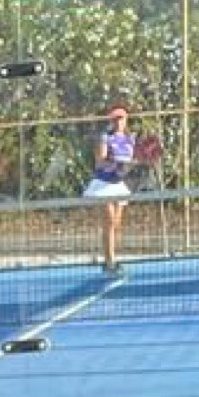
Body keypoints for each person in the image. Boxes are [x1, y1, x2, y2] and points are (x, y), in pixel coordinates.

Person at [83, 103, 136, 274]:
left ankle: (113, 257)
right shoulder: (105, 137)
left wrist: (132, 165)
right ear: (111, 120)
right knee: (109, 221)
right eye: (115, 118)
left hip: (118, 184)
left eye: (121, 118)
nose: (118, 121)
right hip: (103, 184)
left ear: (126, 119)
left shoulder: (130, 139)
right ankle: (109, 262)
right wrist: (116, 164)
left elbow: (131, 162)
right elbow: (100, 161)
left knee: (116, 224)